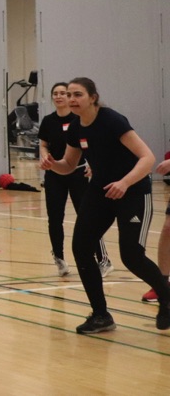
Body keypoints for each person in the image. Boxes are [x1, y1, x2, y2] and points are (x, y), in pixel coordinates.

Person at [40, 77, 170, 333]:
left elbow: (147, 157)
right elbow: (68, 166)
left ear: (93, 97)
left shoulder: (112, 120)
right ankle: (100, 314)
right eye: (69, 95)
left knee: (131, 255)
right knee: (81, 247)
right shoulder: (76, 128)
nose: (72, 99)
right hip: (101, 192)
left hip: (133, 191)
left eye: (78, 94)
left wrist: (124, 182)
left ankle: (167, 300)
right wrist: (51, 164)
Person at [37, 82, 111, 277]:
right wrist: (44, 156)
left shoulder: (79, 119)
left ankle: (103, 259)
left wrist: (91, 163)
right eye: (56, 93)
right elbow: (43, 144)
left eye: (64, 93)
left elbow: (89, 145)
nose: (60, 96)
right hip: (55, 175)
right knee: (55, 218)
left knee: (87, 217)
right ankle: (59, 258)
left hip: (78, 173)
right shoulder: (48, 121)